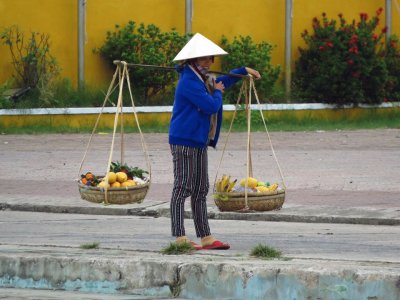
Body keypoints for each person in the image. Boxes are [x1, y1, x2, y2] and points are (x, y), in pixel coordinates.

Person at [168, 33, 261, 250]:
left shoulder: (203, 79)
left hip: (198, 141)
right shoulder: (189, 82)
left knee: (201, 189)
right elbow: (211, 105)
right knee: (182, 187)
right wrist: (218, 93)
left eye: (212, 58)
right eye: (207, 58)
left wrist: (242, 71)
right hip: (183, 140)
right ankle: (180, 238)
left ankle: (206, 237)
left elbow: (221, 81)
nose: (211, 62)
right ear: (194, 60)